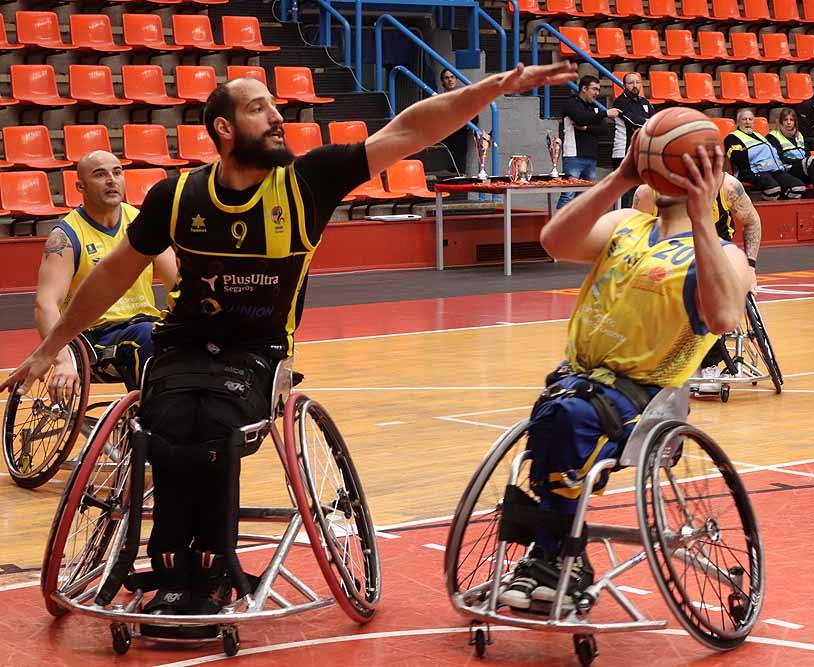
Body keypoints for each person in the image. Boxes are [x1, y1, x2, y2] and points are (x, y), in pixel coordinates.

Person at [2, 62, 578, 626]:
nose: (278, 117)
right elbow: (110, 276)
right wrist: (51, 347)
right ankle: (171, 567)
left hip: (258, 355)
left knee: (212, 420)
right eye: (259, 108)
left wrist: (494, 88)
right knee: (168, 414)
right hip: (181, 347)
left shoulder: (307, 183)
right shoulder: (176, 197)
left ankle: (210, 566)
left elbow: (410, 129)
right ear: (224, 128)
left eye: (276, 106)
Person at [497, 137, 752, 609]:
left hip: (645, 397)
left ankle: (558, 556)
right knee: (558, 417)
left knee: (568, 419)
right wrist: (621, 176)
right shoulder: (627, 223)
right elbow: (553, 242)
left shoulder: (725, 255)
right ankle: (552, 554)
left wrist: (701, 214)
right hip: (575, 381)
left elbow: (722, 319)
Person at [35, 150, 176, 404]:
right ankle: (157, 421)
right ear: (80, 186)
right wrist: (62, 358)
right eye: (100, 174)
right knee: (148, 335)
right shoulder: (66, 236)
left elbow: (178, 283)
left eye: (117, 172)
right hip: (93, 337)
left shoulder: (142, 223)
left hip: (144, 326)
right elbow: (45, 304)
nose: (111, 180)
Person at [633, 175, 762, 394]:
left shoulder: (728, 187)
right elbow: (636, 235)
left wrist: (750, 267)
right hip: (668, 252)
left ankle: (710, 364)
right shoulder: (648, 193)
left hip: (717, 252)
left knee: (708, 288)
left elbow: (752, 221)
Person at [557, 75, 621, 208]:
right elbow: (581, 118)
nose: (597, 93)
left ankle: (580, 225)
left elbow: (603, 130)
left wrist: (586, 128)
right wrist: (604, 114)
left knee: (587, 195)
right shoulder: (571, 103)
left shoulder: (595, 108)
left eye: (598, 90)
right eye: (594, 89)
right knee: (568, 193)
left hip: (591, 156)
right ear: (584, 89)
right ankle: (557, 225)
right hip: (573, 155)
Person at [725, 108, 805, 201]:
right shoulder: (732, 138)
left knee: (798, 187)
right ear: (738, 122)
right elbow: (737, 157)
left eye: (750, 119)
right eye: (744, 119)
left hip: (774, 170)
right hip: (752, 171)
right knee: (773, 189)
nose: (747, 122)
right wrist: (758, 150)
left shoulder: (759, 136)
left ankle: (783, 210)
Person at [767, 108, 814, 199]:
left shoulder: (799, 135)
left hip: (803, 167)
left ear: (795, 122)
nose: (789, 122)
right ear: (781, 122)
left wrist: (804, 161)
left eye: (791, 120)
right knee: (810, 161)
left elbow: (807, 153)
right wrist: (800, 161)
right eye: (785, 120)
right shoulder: (773, 137)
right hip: (788, 170)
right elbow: (778, 159)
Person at [611, 72, 653, 208]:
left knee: (640, 192)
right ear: (624, 85)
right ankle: (622, 223)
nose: (634, 86)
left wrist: (646, 124)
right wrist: (648, 124)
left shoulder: (645, 102)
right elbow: (632, 120)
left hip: (642, 153)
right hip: (623, 152)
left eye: (637, 82)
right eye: (630, 83)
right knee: (624, 192)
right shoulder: (620, 102)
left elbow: (655, 119)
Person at [439, 68, 468, 174]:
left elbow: (473, 116)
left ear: (456, 79)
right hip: (444, 139)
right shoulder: (438, 99)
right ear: (442, 81)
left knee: (458, 172)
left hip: (460, 139)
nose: (450, 80)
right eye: (446, 78)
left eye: (452, 77)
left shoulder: (463, 97)